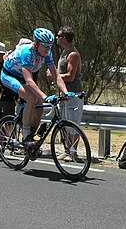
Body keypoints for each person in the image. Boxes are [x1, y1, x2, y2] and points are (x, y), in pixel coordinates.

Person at [0, 27, 73, 147]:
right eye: (45, 45)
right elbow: (29, 80)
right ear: (37, 43)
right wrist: (45, 96)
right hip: (9, 75)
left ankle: (32, 134)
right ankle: (26, 135)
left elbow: (56, 76)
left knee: (39, 104)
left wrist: (65, 92)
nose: (48, 48)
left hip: (22, 77)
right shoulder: (27, 52)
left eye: (50, 45)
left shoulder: (47, 53)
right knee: (32, 99)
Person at [47, 26, 84, 161]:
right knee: (65, 121)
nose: (56, 38)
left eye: (58, 36)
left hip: (73, 93)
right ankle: (67, 150)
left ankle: (73, 152)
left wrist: (54, 75)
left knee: (73, 123)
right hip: (64, 94)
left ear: (64, 38)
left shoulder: (73, 54)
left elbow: (70, 76)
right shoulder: (64, 53)